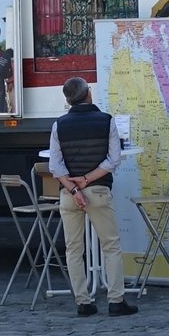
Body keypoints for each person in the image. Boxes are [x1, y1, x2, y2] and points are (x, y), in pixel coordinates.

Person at [48, 76, 136, 317]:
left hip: (68, 193)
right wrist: (87, 181)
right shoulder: (106, 121)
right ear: (89, 94)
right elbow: (113, 160)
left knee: (74, 249)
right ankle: (116, 299)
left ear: (68, 100)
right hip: (98, 190)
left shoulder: (59, 125)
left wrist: (75, 189)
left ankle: (83, 302)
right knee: (110, 244)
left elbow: (55, 166)